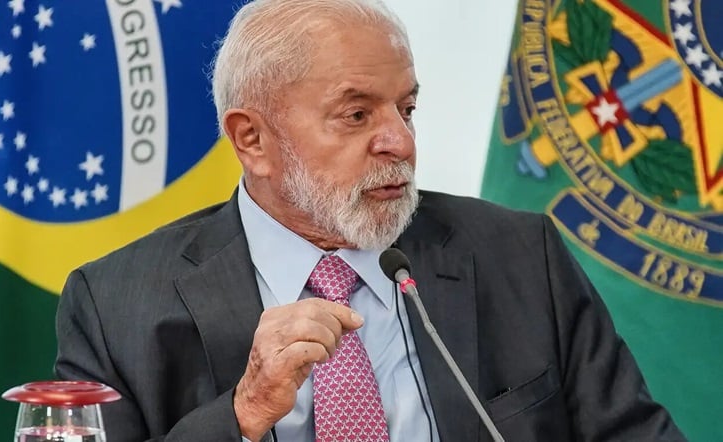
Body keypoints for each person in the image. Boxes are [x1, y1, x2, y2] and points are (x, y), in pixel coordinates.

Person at [54, 0, 686, 441]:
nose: (400, 142)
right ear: (253, 140)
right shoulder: (115, 305)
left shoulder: (521, 256)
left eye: (406, 109)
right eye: (356, 115)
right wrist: (243, 414)